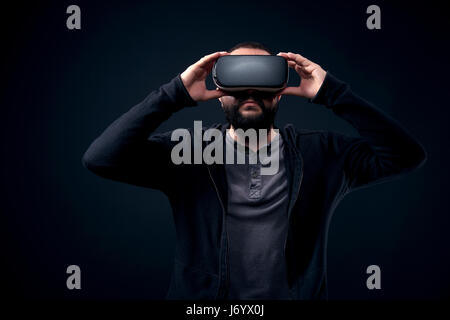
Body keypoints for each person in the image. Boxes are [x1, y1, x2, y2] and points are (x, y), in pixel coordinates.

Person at [81, 41, 427, 300]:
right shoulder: (190, 150)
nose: (250, 90)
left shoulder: (321, 153)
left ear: (279, 94)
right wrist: (174, 94)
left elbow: (406, 155)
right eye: (237, 79)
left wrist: (332, 93)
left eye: (262, 80)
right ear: (218, 94)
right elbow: (101, 158)